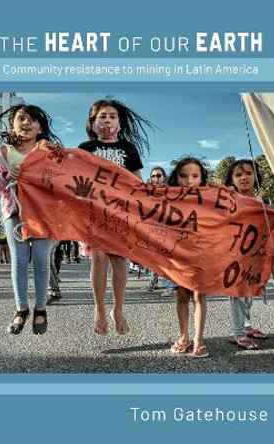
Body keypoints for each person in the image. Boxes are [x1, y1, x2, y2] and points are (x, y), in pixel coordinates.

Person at [78, 97, 153, 335]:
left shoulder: (128, 148)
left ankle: (118, 309)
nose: (107, 119)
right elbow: (71, 178)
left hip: (121, 210)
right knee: (99, 258)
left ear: (119, 121)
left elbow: (137, 181)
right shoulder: (84, 149)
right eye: (102, 116)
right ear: (92, 121)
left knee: (120, 260)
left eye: (112, 116)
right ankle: (99, 309)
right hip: (95, 210)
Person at [0, 104, 60, 334]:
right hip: (14, 212)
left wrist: (59, 158)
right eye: (21, 119)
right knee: (18, 262)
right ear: (13, 124)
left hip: (44, 213)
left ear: (40, 127)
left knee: (41, 261)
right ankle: (21, 309)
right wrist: (7, 175)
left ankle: (40, 308)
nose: (26, 123)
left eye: (32, 120)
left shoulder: (49, 151)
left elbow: (62, 180)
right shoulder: (4, 152)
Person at [224, 159, 268, 350]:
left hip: (256, 256)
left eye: (248, 173)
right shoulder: (229, 200)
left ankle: (246, 326)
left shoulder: (260, 201)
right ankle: (238, 333)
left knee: (250, 292)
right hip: (234, 254)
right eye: (238, 174)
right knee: (237, 293)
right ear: (232, 179)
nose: (244, 178)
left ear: (256, 176)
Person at [169, 157, 210, 358]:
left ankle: (199, 339)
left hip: (201, 255)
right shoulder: (167, 199)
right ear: (176, 178)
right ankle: (184, 336)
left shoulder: (211, 200)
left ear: (202, 178)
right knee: (182, 296)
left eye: (195, 176)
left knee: (199, 295)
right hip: (176, 255)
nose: (189, 180)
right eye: (184, 176)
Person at [145, 166, 167, 291]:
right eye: (153, 176)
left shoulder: (171, 192)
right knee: (153, 256)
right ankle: (153, 281)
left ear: (163, 177)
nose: (156, 178)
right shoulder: (148, 193)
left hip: (168, 228)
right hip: (152, 228)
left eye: (158, 175)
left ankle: (170, 284)